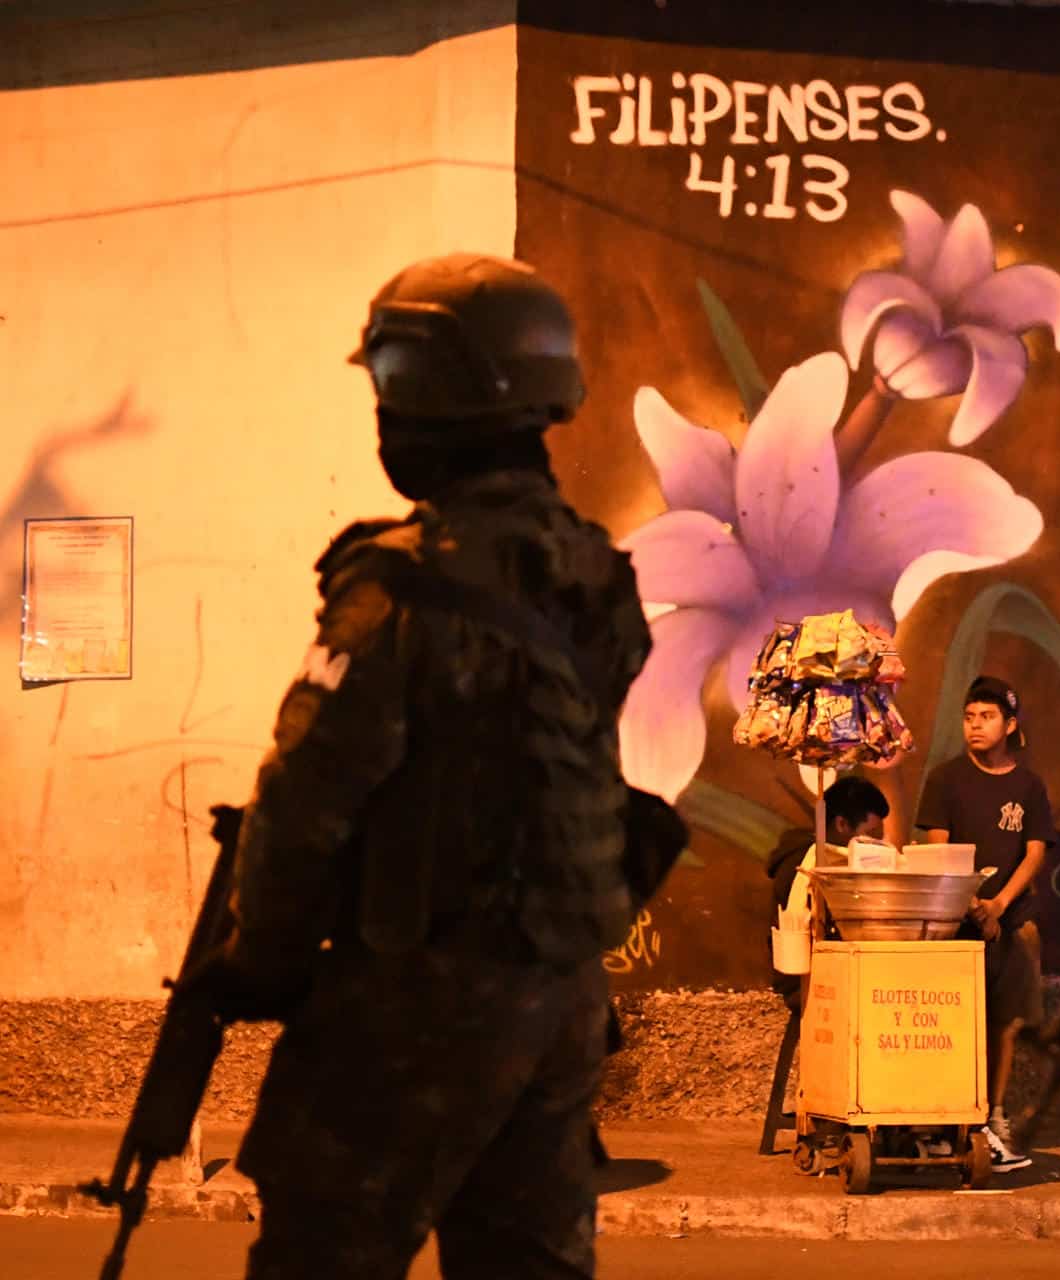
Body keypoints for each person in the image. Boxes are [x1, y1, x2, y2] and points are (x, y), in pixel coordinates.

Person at [203, 253, 655, 1279]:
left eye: (396, 387)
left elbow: (308, 793)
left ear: (442, 401)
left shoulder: (402, 580)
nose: (385, 415)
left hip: (417, 994)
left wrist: (260, 957)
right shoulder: (592, 570)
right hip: (561, 998)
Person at [916, 675, 1054, 1173]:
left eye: (988, 717)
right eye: (970, 717)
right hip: (957, 919)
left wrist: (999, 906)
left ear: (1009, 725)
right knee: (954, 1020)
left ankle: (994, 1117)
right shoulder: (946, 778)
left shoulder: (1029, 786)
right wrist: (973, 903)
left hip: (1013, 921)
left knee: (1005, 1021)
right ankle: (947, 1120)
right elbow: (938, 847)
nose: (976, 726)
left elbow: (1035, 852)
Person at [766, 775, 891, 1010]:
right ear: (842, 825)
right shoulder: (807, 863)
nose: (877, 843)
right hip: (807, 980)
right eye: (872, 834)